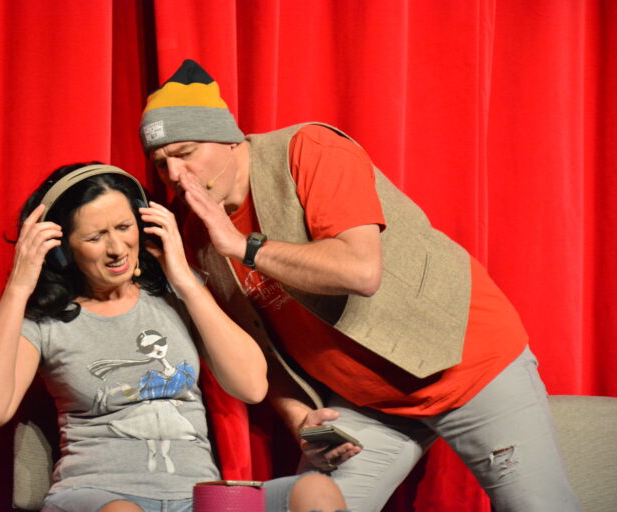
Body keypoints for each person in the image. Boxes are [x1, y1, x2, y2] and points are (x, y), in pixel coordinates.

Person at [138, 59, 582, 512]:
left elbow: (360, 271)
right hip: (367, 401)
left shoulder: (308, 150)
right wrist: (300, 419)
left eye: (186, 152)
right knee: (314, 505)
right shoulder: (195, 235)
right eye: (161, 162)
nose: (175, 174)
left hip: (468, 365)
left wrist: (241, 245)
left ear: (229, 138)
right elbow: (260, 349)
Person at [0, 162, 348, 512]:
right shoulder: (46, 320)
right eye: (95, 237)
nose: (117, 249)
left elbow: (251, 385)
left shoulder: (174, 294)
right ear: (63, 250)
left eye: (124, 227)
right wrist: (19, 287)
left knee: (316, 491)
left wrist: (184, 280)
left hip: (195, 497)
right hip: (97, 496)